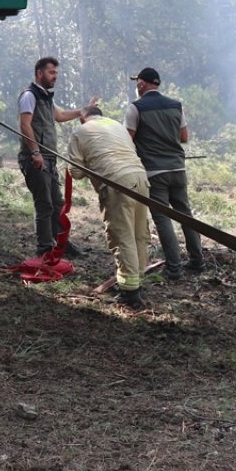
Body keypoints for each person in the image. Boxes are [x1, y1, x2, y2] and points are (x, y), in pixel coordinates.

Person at [66, 106, 151, 309]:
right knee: (139, 233)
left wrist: (90, 164)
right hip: (141, 178)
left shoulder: (80, 132)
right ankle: (137, 280)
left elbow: (75, 172)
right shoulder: (117, 126)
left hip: (116, 182)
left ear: (83, 119)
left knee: (123, 237)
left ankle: (130, 293)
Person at [125, 67, 204, 280]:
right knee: (185, 214)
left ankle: (174, 268)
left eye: (137, 83)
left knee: (162, 218)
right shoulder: (175, 105)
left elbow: (127, 140)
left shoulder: (136, 108)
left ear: (142, 84)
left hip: (154, 171)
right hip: (178, 169)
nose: (136, 86)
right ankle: (197, 261)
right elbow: (184, 137)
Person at [17, 56, 92, 258]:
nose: (55, 76)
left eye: (56, 73)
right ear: (39, 73)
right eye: (51, 72)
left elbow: (59, 116)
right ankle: (44, 248)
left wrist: (82, 111)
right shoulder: (29, 96)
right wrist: (35, 152)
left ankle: (62, 244)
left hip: (49, 158)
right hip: (35, 158)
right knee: (44, 204)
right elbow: (25, 125)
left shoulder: (46, 97)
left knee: (57, 204)